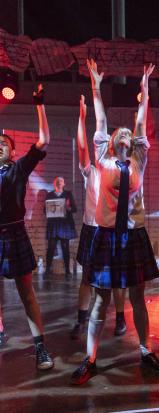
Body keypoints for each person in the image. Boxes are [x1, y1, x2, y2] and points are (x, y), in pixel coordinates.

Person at [71, 59, 159, 385]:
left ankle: (145, 350)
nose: (125, 135)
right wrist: (96, 85)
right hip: (107, 235)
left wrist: (145, 91)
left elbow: (140, 127)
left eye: (129, 135)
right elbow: (101, 118)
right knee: (101, 298)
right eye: (119, 134)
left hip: (133, 235)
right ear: (111, 141)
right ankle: (91, 358)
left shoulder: (138, 158)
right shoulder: (102, 156)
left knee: (138, 296)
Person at [0, 85, 53, 369]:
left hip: (15, 233)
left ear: (13, 150)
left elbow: (44, 139)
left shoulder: (18, 169)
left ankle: (41, 347)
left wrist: (40, 104)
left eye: (4, 143)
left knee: (26, 294)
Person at [70, 95, 126, 340]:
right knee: (87, 278)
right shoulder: (92, 171)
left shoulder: (124, 171)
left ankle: (121, 318)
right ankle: (81, 320)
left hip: (114, 229)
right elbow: (83, 149)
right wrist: (82, 119)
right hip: (92, 229)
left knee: (117, 278)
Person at [45, 176, 77, 277]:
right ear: (54, 184)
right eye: (57, 181)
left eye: (61, 181)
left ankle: (67, 270)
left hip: (64, 225)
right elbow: (44, 210)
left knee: (65, 248)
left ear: (64, 184)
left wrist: (68, 208)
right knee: (51, 248)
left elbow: (75, 209)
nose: (59, 183)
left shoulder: (68, 194)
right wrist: (48, 210)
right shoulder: (49, 195)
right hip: (53, 225)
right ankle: (47, 270)